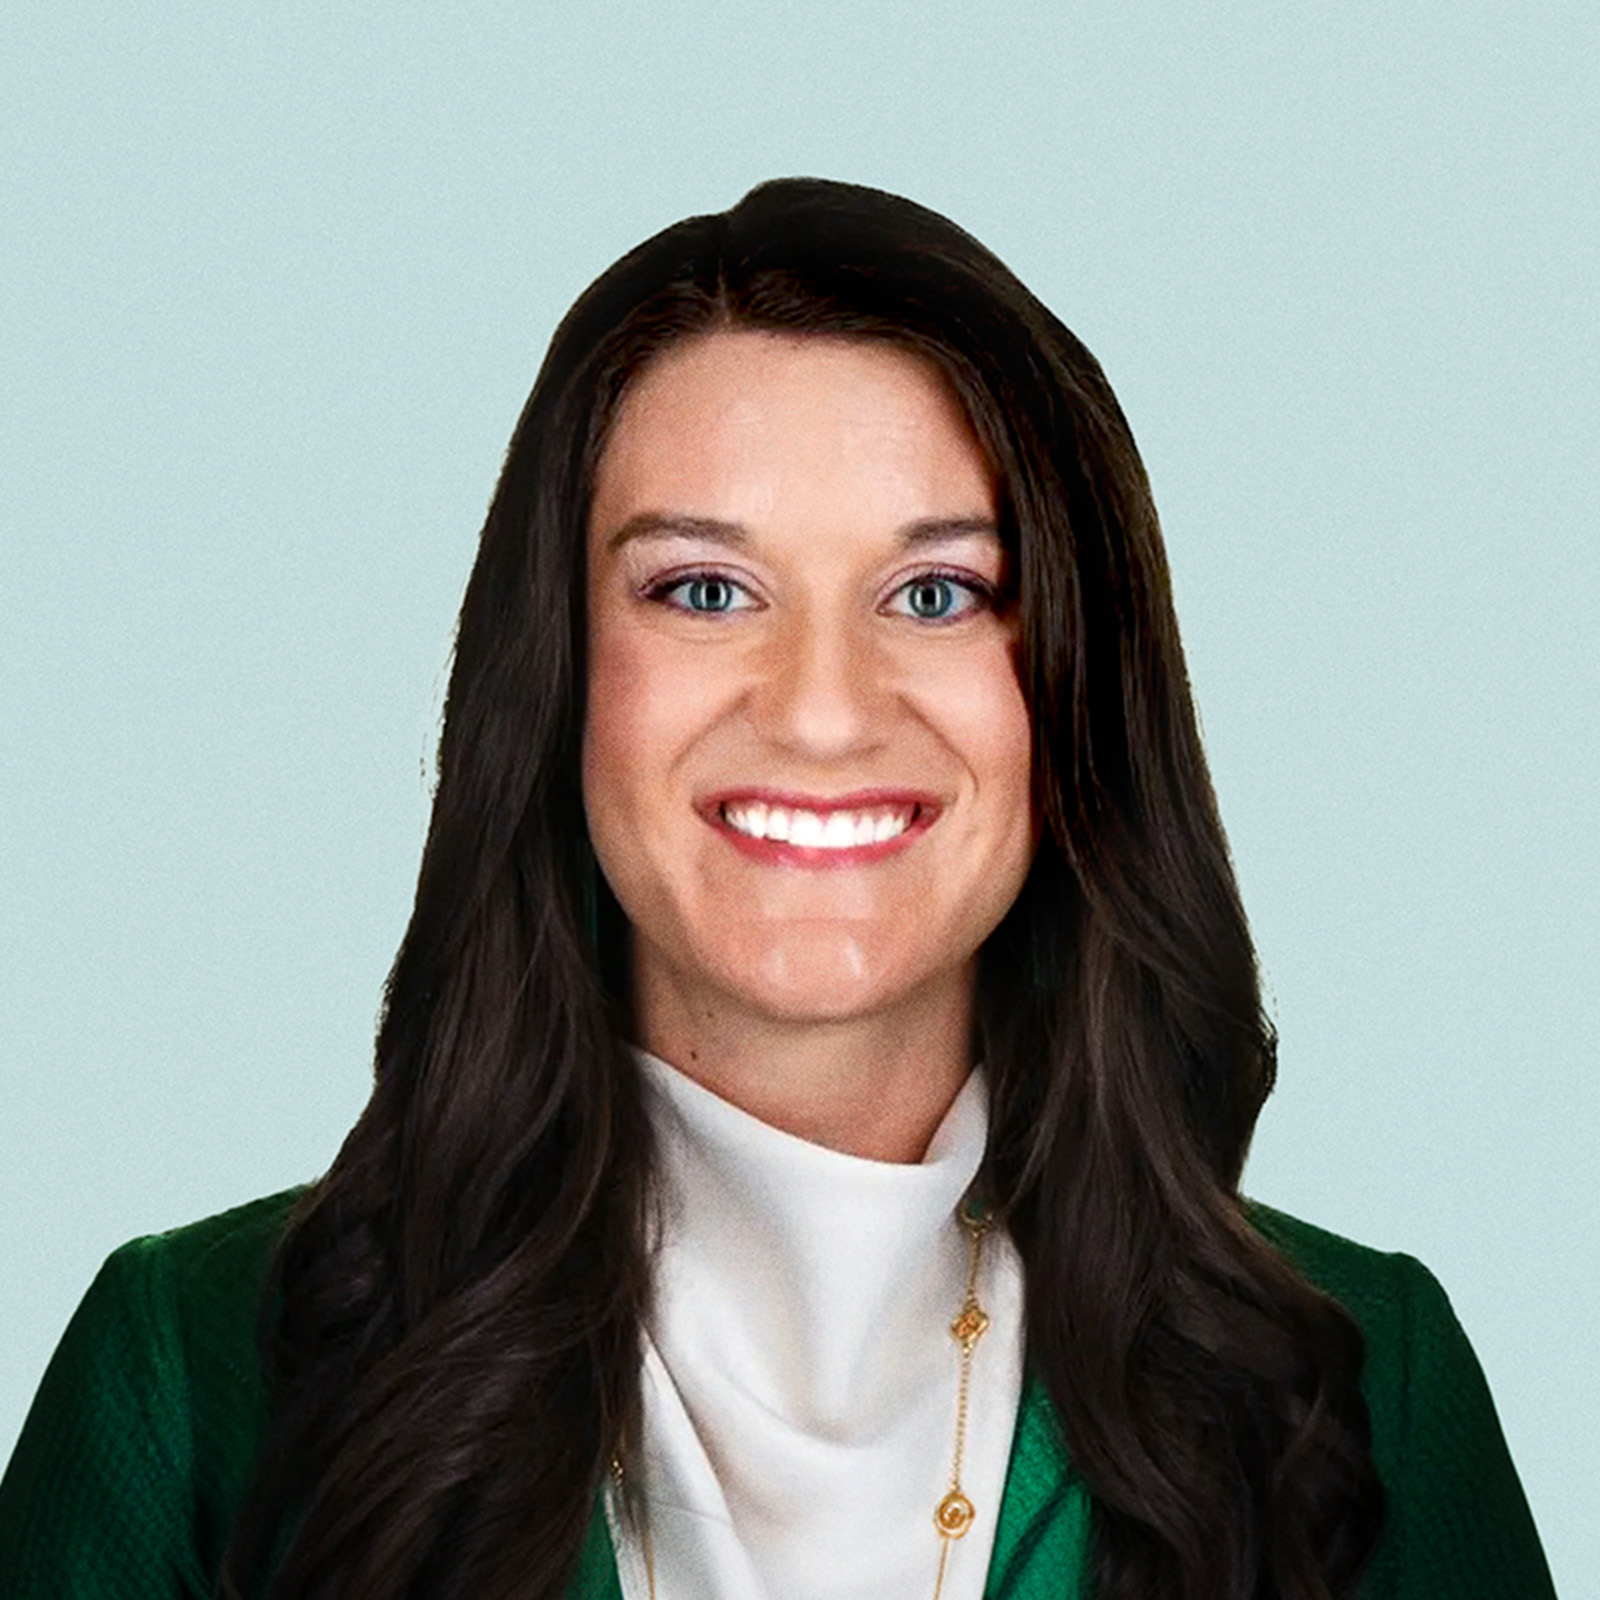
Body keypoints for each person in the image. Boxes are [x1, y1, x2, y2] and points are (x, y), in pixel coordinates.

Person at [0, 178, 1555, 1600]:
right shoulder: (195, 1382)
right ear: (558, 685)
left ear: (1077, 692)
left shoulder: (1358, 1385)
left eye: (936, 592)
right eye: (704, 590)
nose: (821, 708)